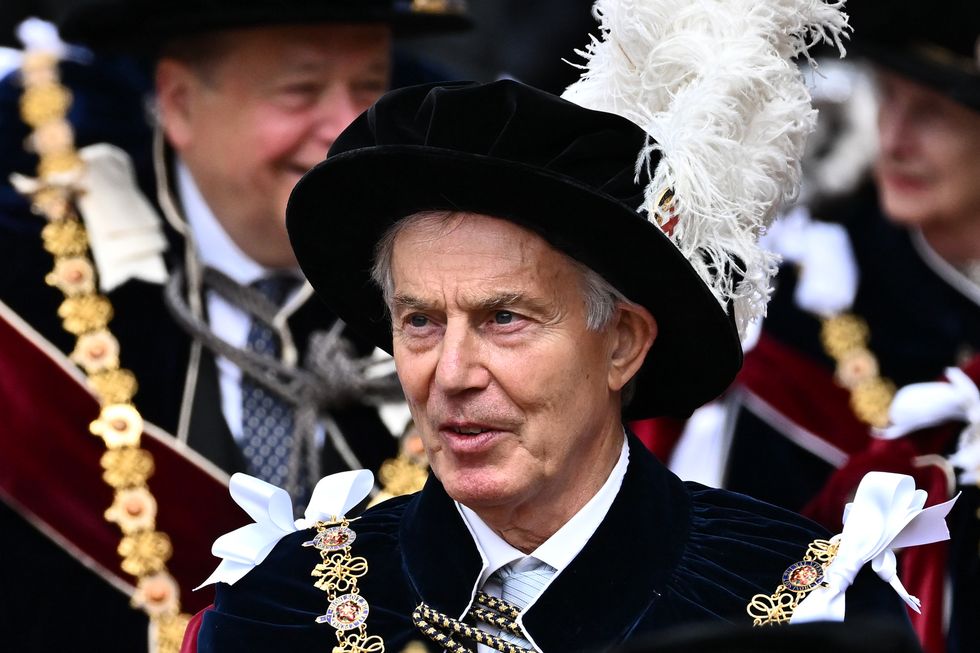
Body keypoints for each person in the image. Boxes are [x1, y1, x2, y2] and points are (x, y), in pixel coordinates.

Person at [185, 2, 934, 649]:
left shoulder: (803, 608)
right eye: (419, 320)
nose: (451, 371)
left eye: (504, 318)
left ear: (623, 343)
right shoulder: (283, 611)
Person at [0, 1, 469, 651]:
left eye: (368, 86)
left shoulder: (465, 266)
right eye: (299, 91)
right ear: (181, 103)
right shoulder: (29, 275)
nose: (345, 126)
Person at [645, 2, 979, 652]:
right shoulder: (806, 313)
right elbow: (750, 583)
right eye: (889, 101)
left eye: (932, 114)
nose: (895, 139)